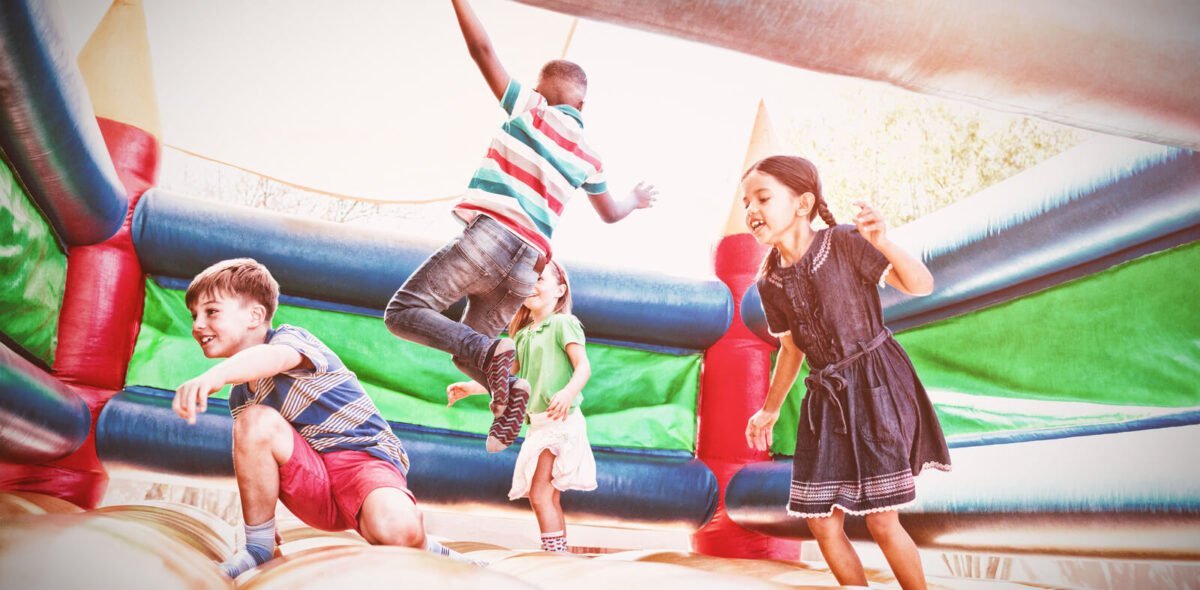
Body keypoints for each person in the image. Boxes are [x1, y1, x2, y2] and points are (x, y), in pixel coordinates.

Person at [384, 0, 656, 453]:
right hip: (528, 266)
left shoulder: (531, 109)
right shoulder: (590, 155)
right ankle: (512, 393)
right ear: (582, 105)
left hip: (490, 239)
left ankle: (495, 363)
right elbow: (610, 212)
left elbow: (483, 51)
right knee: (469, 349)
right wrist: (636, 200)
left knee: (404, 312)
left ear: (540, 92)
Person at [172, 258, 468, 578]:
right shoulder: (242, 396)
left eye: (211, 311)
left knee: (396, 531)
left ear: (256, 315)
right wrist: (263, 524)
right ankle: (257, 548)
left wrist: (216, 375)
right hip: (313, 483)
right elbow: (257, 459)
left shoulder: (290, 341)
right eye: (194, 316)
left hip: (362, 462)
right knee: (254, 421)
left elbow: (271, 359)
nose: (197, 325)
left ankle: (429, 547)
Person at [740, 156, 951, 589]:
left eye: (763, 197)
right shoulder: (770, 282)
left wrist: (884, 241)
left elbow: (921, 284)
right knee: (823, 525)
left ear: (802, 204)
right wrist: (770, 409)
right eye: (746, 202)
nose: (751, 210)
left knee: (881, 520)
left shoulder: (845, 242)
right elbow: (791, 347)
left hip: (876, 384)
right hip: (827, 400)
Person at [446, 261, 597, 553]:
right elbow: (508, 379)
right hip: (538, 425)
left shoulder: (562, 323)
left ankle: (555, 553)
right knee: (543, 494)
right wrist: (470, 388)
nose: (533, 285)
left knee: (541, 493)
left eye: (540, 279)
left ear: (560, 290)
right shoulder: (523, 335)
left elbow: (583, 367)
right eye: (529, 280)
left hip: (560, 422)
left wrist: (567, 392)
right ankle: (558, 551)